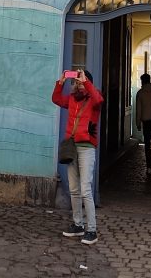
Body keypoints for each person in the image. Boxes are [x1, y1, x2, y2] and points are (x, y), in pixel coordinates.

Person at [52, 68, 103, 246]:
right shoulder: (72, 98)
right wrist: (61, 82)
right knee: (74, 188)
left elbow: (98, 99)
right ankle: (78, 224)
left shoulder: (94, 98)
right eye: (76, 81)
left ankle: (92, 230)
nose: (78, 83)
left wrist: (86, 82)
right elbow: (56, 99)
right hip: (72, 148)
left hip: (87, 148)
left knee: (85, 189)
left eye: (81, 80)